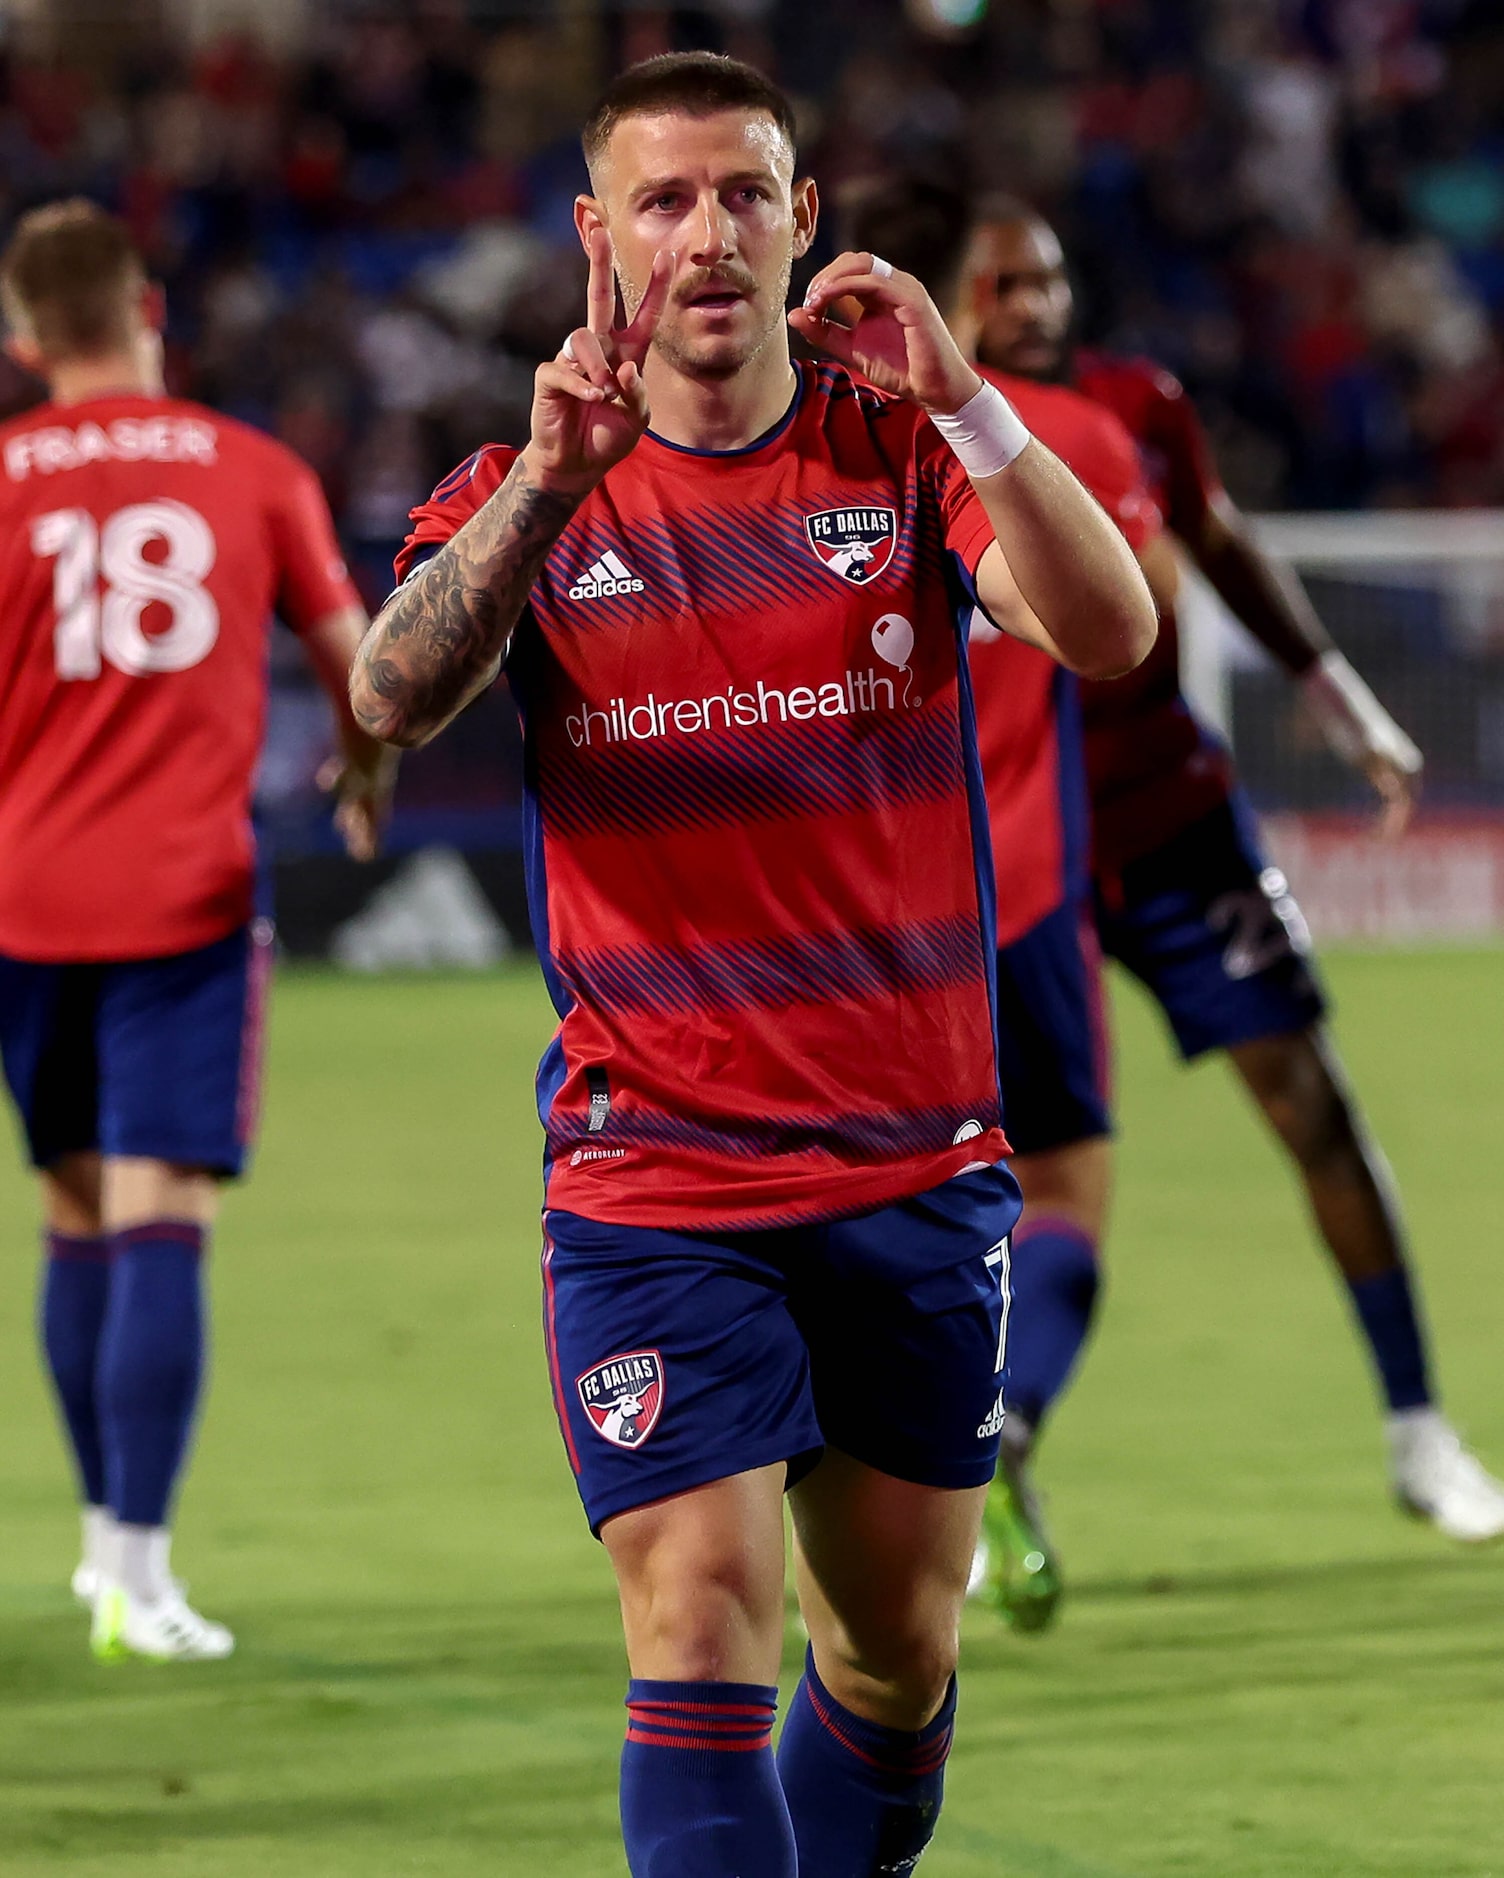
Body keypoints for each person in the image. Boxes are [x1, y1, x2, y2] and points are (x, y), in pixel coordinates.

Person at [351, 53, 1154, 1878]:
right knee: (704, 1609)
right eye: (661, 198)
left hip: (916, 1163)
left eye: (741, 194)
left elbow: (1112, 633)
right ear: (596, 239)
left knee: (891, 1651)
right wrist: (551, 489)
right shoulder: (524, 487)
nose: (704, 233)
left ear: (806, 223)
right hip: (657, 1179)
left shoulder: (901, 455)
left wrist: (976, 407)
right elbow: (389, 693)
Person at [901, 186, 1504, 1620]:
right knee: (1006, 1186)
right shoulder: (903, 442)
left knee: (1310, 1102)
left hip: (1169, 827)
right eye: (1002, 286)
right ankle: (970, 1455)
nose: (1035, 305)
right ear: (951, 298)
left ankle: (1421, 1427)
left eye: (1048, 278)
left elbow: (1211, 553)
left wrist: (1335, 695)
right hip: (1008, 858)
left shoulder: (1125, 411)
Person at [0, 200, 396, 1661]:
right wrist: (361, 779)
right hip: (184, 896)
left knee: (74, 1213)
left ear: (25, 335)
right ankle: (142, 1572)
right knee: (165, 1212)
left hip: (21, 903)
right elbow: (369, 678)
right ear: (147, 307)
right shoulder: (256, 470)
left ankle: (103, 1548)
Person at [845, 176, 1171, 1630]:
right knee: (1060, 1196)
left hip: (854, 918)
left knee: (843, 1215)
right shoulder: (1066, 439)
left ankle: (850, 1518)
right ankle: (1009, 1417)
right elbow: (1136, 621)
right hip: (1020, 889)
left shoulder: (815, 445)